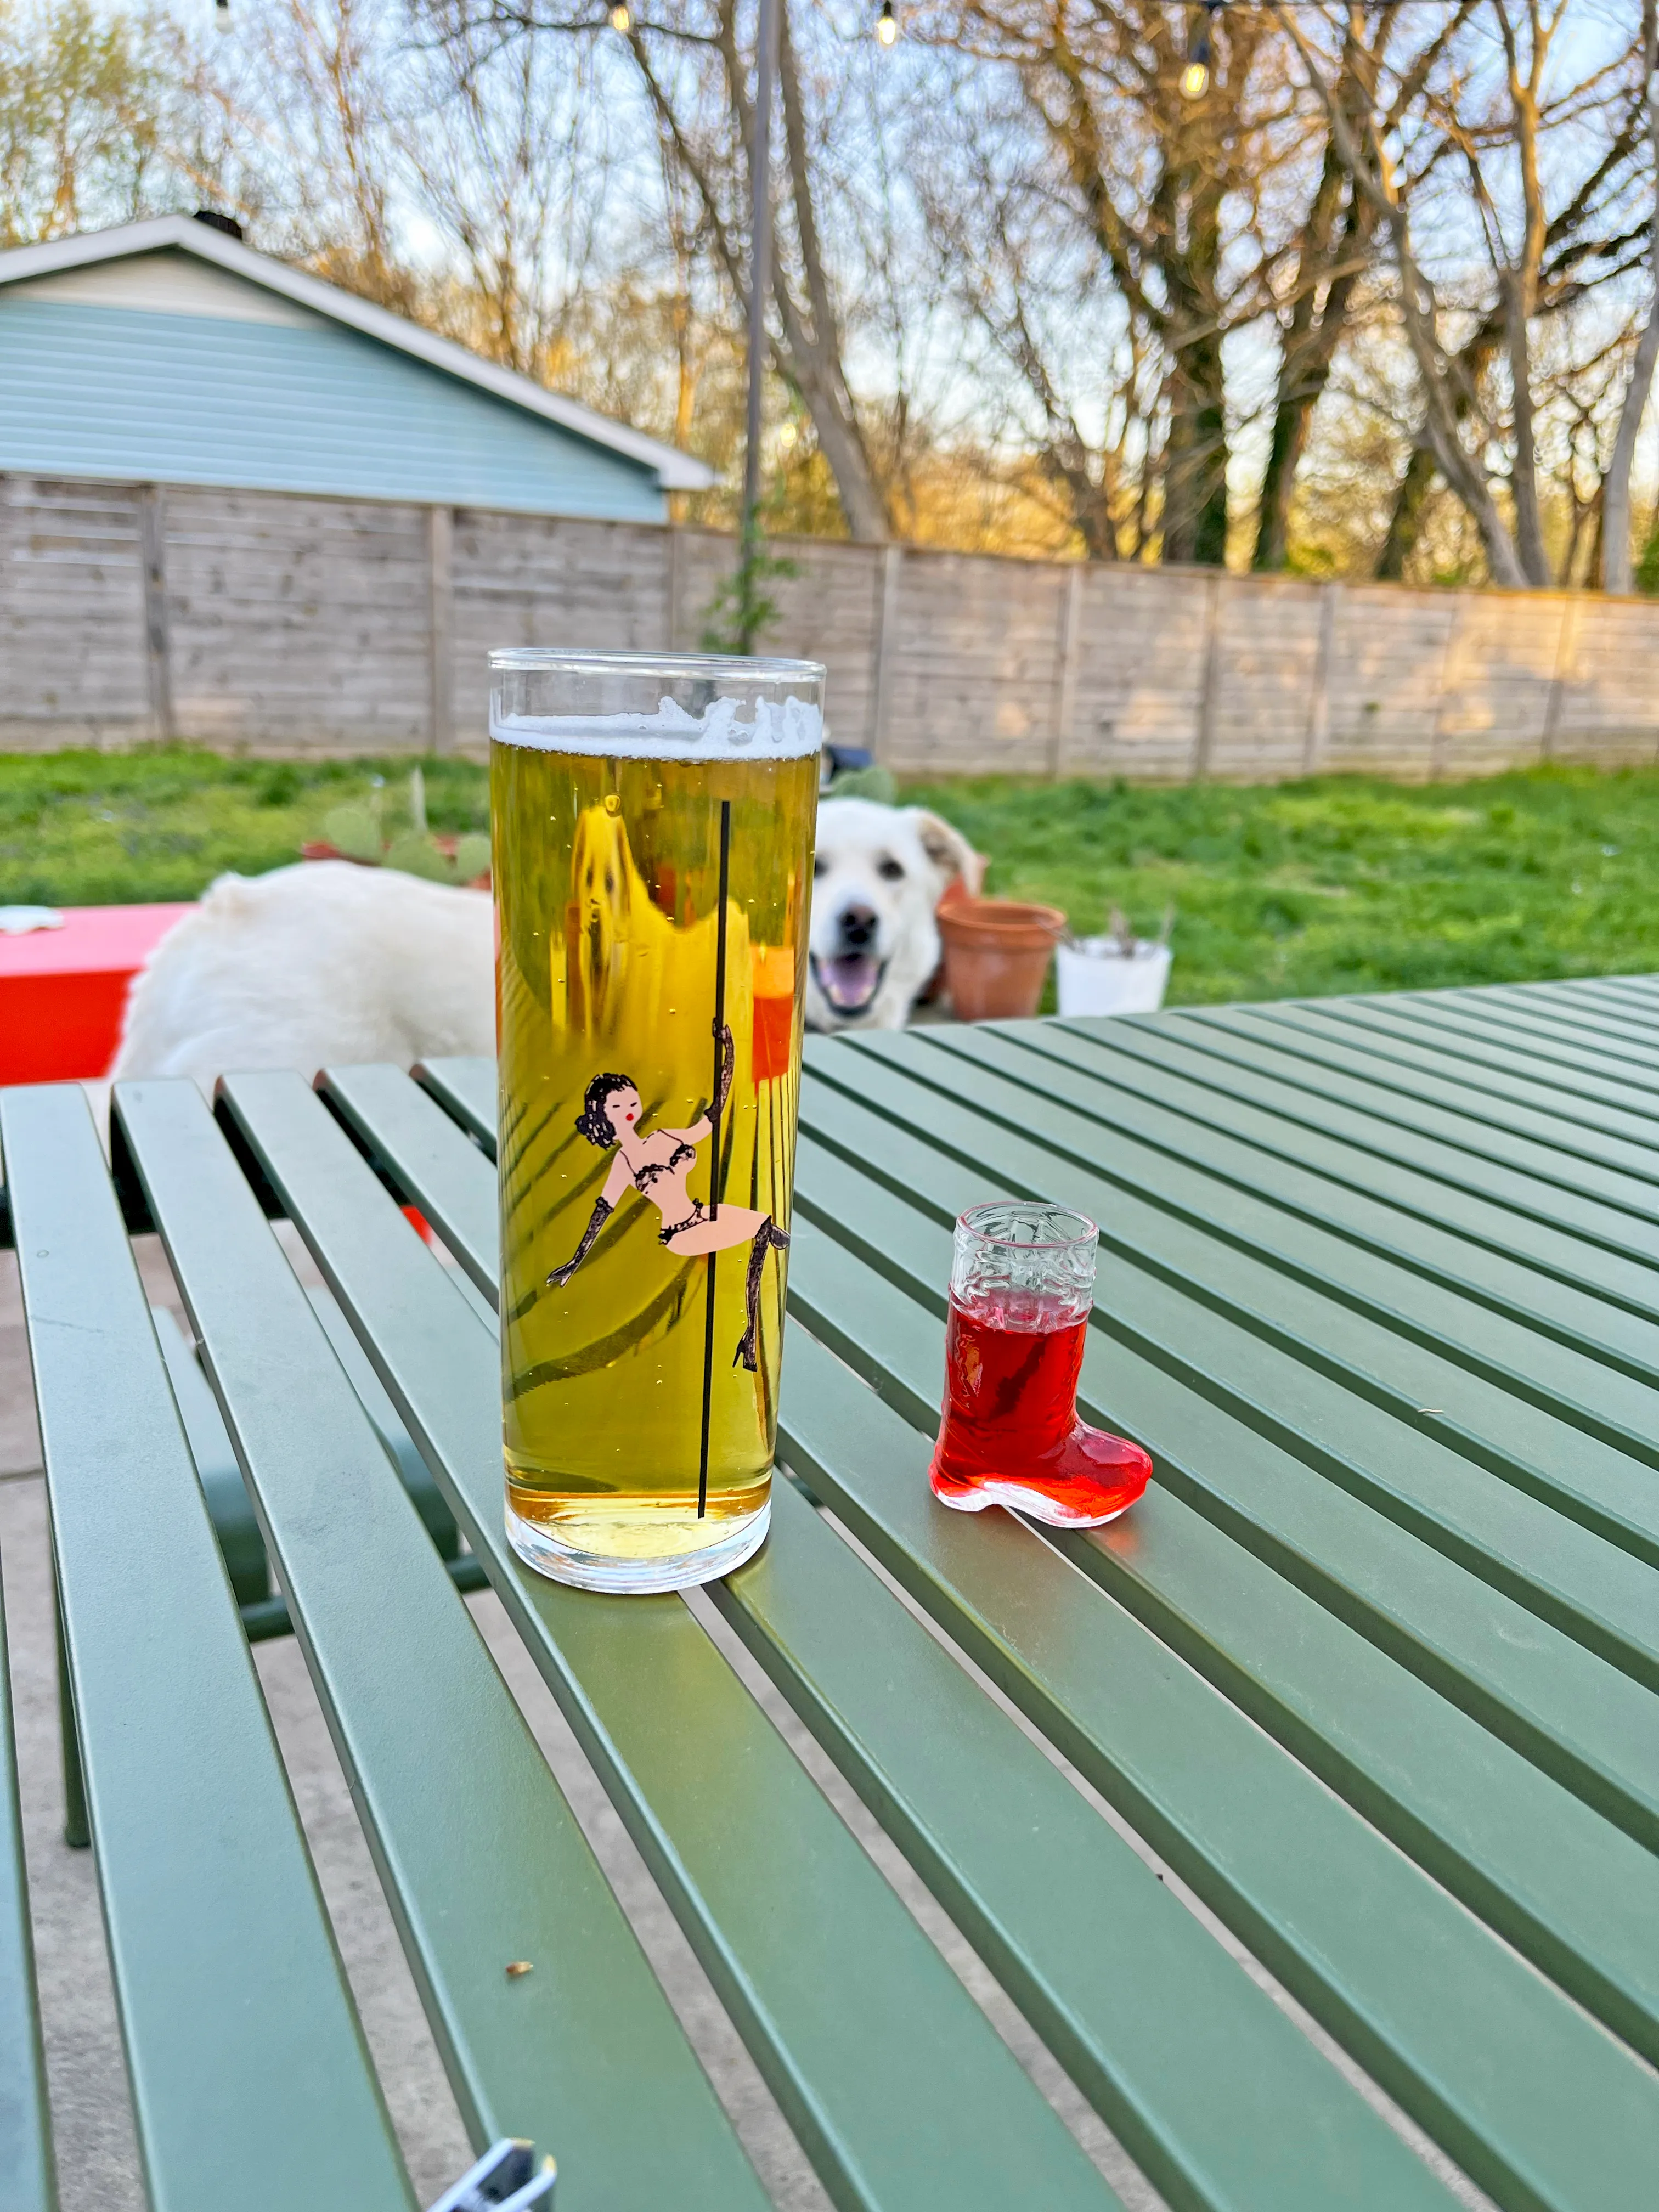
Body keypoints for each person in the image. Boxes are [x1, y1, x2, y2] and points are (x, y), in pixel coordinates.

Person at [548, 1024, 789, 1372]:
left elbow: (715, 1115)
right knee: (766, 1232)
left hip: (703, 1213)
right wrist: (575, 1260)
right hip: (681, 1233)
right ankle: (750, 1338)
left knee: (768, 1228)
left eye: (632, 1100)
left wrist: (730, 1050)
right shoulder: (625, 1163)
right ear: (603, 1115)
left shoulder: (663, 1137)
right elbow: (601, 1213)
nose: (629, 1108)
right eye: (618, 1106)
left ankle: (750, 1336)